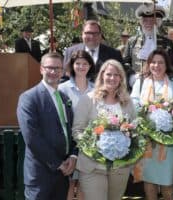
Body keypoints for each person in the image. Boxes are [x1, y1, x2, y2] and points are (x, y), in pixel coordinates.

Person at [16, 52, 78, 200]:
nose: (53, 72)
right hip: (40, 174)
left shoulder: (64, 98)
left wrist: (73, 156)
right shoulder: (29, 98)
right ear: (41, 69)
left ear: (62, 71)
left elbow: (71, 132)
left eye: (58, 68)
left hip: (63, 175)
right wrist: (58, 164)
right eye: (49, 67)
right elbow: (32, 138)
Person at [72, 59, 136, 200]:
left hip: (120, 167)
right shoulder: (88, 99)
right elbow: (77, 130)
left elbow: (135, 131)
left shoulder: (127, 102)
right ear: (102, 76)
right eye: (108, 74)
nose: (112, 78)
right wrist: (94, 148)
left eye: (116, 75)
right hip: (92, 165)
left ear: (121, 78)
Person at [131, 49, 173, 200]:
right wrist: (145, 115)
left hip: (168, 140)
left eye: (160, 62)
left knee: (166, 181)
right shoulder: (141, 82)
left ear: (166, 64)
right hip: (147, 139)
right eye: (153, 62)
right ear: (149, 64)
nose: (157, 65)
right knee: (149, 180)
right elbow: (133, 106)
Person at [58, 50, 94, 200]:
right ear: (72, 66)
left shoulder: (96, 89)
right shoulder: (62, 89)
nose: (81, 66)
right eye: (77, 63)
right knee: (70, 182)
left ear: (90, 66)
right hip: (69, 143)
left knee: (84, 183)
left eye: (85, 63)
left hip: (90, 142)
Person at [124, 3, 173, 88]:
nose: (148, 24)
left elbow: (172, 65)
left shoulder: (167, 43)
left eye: (152, 21)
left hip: (161, 85)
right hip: (138, 84)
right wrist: (131, 76)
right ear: (141, 22)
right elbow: (125, 63)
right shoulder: (132, 41)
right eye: (145, 20)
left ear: (157, 23)